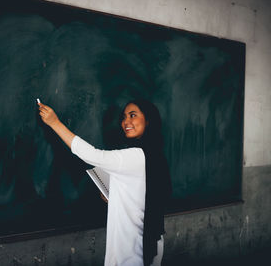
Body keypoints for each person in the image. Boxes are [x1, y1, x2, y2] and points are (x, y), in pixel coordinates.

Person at [38, 99, 172, 266]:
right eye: (124, 117)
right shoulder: (155, 155)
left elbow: (92, 155)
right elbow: (143, 195)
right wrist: (115, 195)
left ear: (148, 120)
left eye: (133, 115)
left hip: (134, 250)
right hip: (151, 244)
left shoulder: (135, 155)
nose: (126, 122)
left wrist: (54, 123)